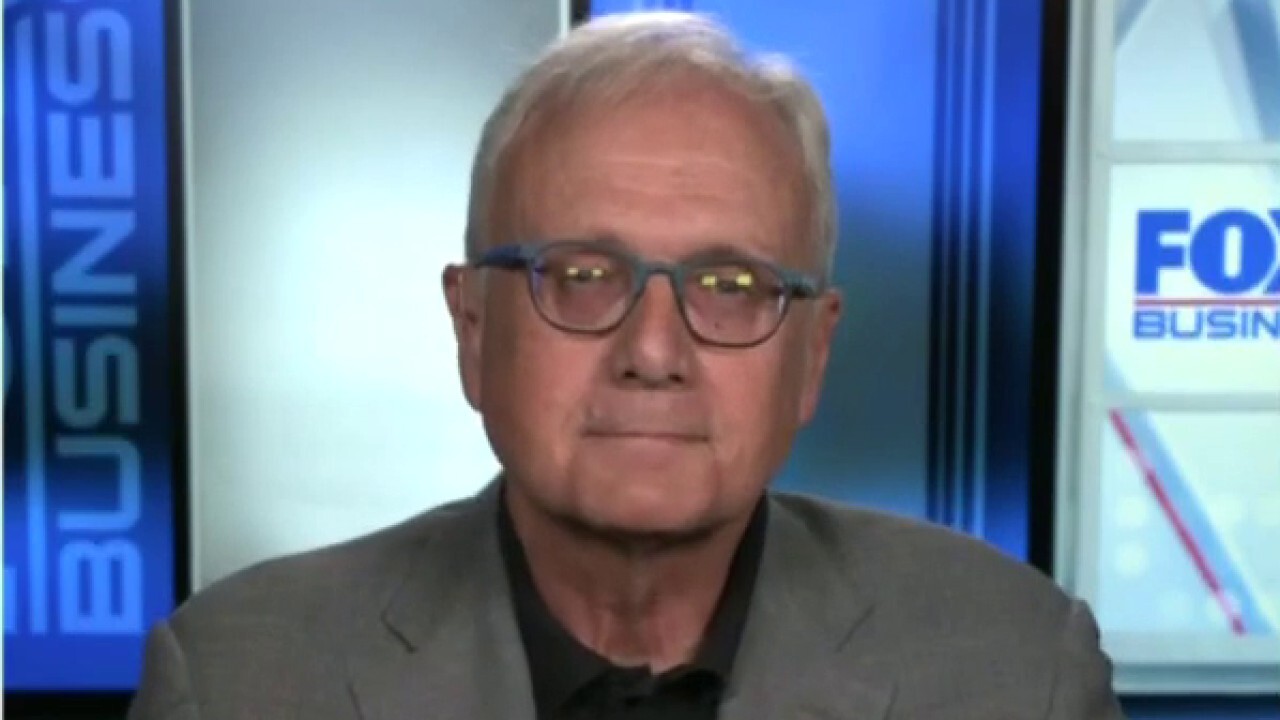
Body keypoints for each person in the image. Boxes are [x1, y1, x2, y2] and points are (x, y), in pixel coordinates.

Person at [129, 11, 1125, 720]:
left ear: (812, 352)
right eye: (581, 276)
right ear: (472, 328)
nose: (653, 353)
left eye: (729, 285)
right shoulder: (235, 683)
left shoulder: (1017, 674)